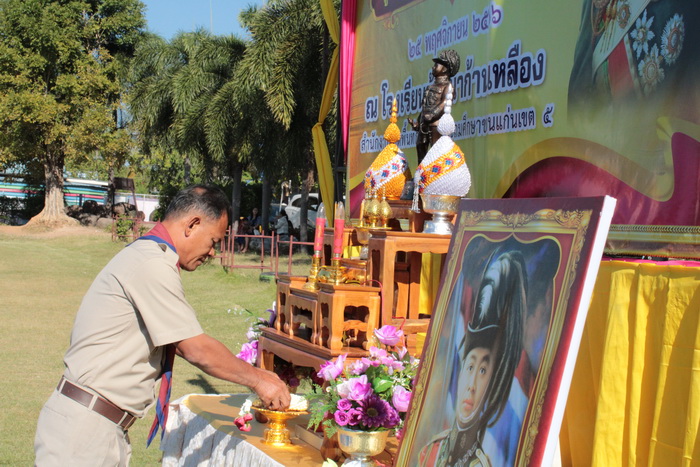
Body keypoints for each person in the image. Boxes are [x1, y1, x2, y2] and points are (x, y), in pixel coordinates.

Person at [34, 185, 291, 466]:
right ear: (192, 224)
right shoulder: (152, 263)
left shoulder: (151, 256)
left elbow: (179, 341)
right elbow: (194, 348)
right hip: (85, 432)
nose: (212, 252)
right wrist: (259, 379)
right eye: (213, 241)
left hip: (97, 425)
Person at [420, 249, 526, 467]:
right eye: (470, 367)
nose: (471, 386)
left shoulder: (480, 463)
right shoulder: (430, 450)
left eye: (483, 371)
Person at [409, 49, 461, 163]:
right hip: (424, 125)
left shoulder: (448, 86)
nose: (433, 67)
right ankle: (421, 172)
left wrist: (432, 115)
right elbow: (425, 107)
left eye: (436, 65)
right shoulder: (430, 87)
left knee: (436, 152)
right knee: (420, 149)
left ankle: (435, 173)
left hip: (435, 126)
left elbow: (444, 103)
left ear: (444, 69)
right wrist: (418, 122)